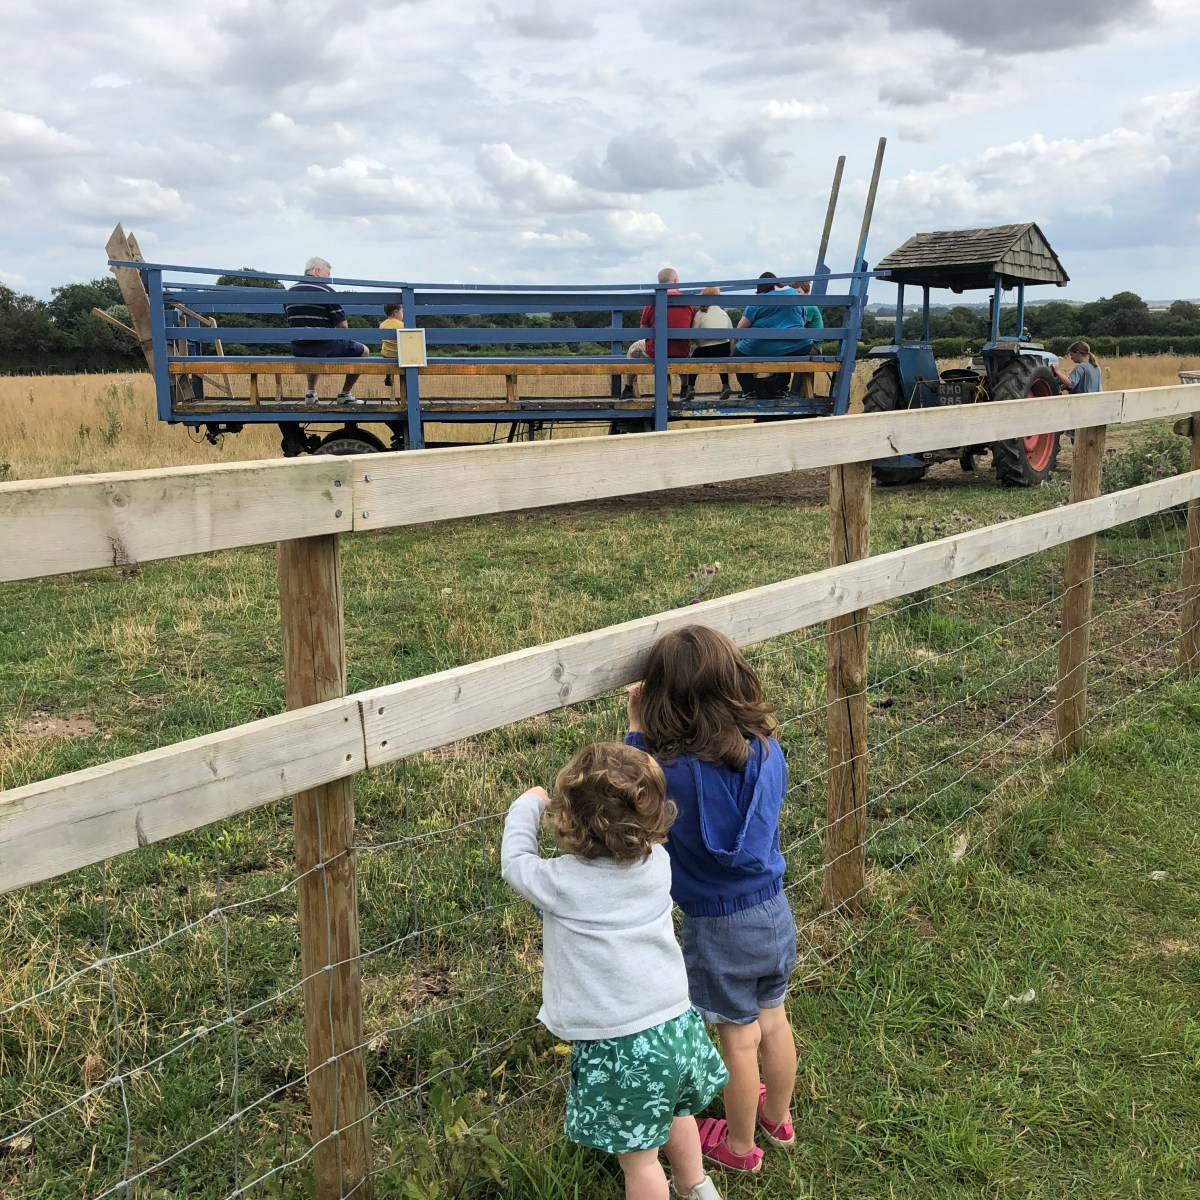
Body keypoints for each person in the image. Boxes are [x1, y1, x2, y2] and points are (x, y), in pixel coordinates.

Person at [501, 741, 728, 1200]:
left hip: (622, 1044)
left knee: (639, 1159)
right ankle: (696, 1188)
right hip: (675, 1026)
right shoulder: (658, 863)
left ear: (570, 822)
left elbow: (515, 864)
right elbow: (629, 794)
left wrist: (527, 805)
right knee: (677, 1115)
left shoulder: (562, 882)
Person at [626, 625, 798, 1177]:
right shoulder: (768, 752)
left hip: (718, 926)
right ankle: (779, 1116)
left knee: (739, 1041)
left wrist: (635, 734)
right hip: (774, 910)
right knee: (774, 1021)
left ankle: (741, 1147)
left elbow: (637, 791)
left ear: (662, 702)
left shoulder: (672, 776)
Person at [284, 256, 369, 405]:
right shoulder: (326, 291)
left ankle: (311, 393)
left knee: (311, 348)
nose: (329, 278)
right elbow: (343, 326)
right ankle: (345, 394)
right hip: (322, 346)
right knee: (364, 351)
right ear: (317, 271)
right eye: (328, 274)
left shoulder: (290, 291)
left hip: (298, 348)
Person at [733, 272, 812, 400]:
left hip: (766, 345)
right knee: (785, 354)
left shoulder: (759, 299)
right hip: (800, 345)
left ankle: (749, 390)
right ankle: (780, 388)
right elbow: (802, 321)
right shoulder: (794, 293)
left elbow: (741, 327)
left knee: (738, 352)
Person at [621, 268, 697, 400]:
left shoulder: (652, 302)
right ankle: (684, 388)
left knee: (633, 349)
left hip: (656, 350)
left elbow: (643, 329)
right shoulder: (689, 303)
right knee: (684, 353)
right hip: (681, 351)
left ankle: (628, 388)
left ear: (659, 283)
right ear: (676, 281)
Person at [680, 287, 734, 401]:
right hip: (724, 347)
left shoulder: (700, 313)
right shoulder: (723, 313)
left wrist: (699, 341)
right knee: (722, 364)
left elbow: (694, 333)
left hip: (707, 347)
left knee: (693, 361)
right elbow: (732, 335)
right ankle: (725, 385)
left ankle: (690, 387)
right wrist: (731, 352)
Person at [379, 302, 404, 388]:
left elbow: (383, 340)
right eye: (402, 311)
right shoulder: (402, 325)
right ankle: (405, 381)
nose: (403, 314)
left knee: (386, 349)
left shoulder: (382, 325)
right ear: (396, 312)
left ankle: (388, 374)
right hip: (399, 356)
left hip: (386, 354)